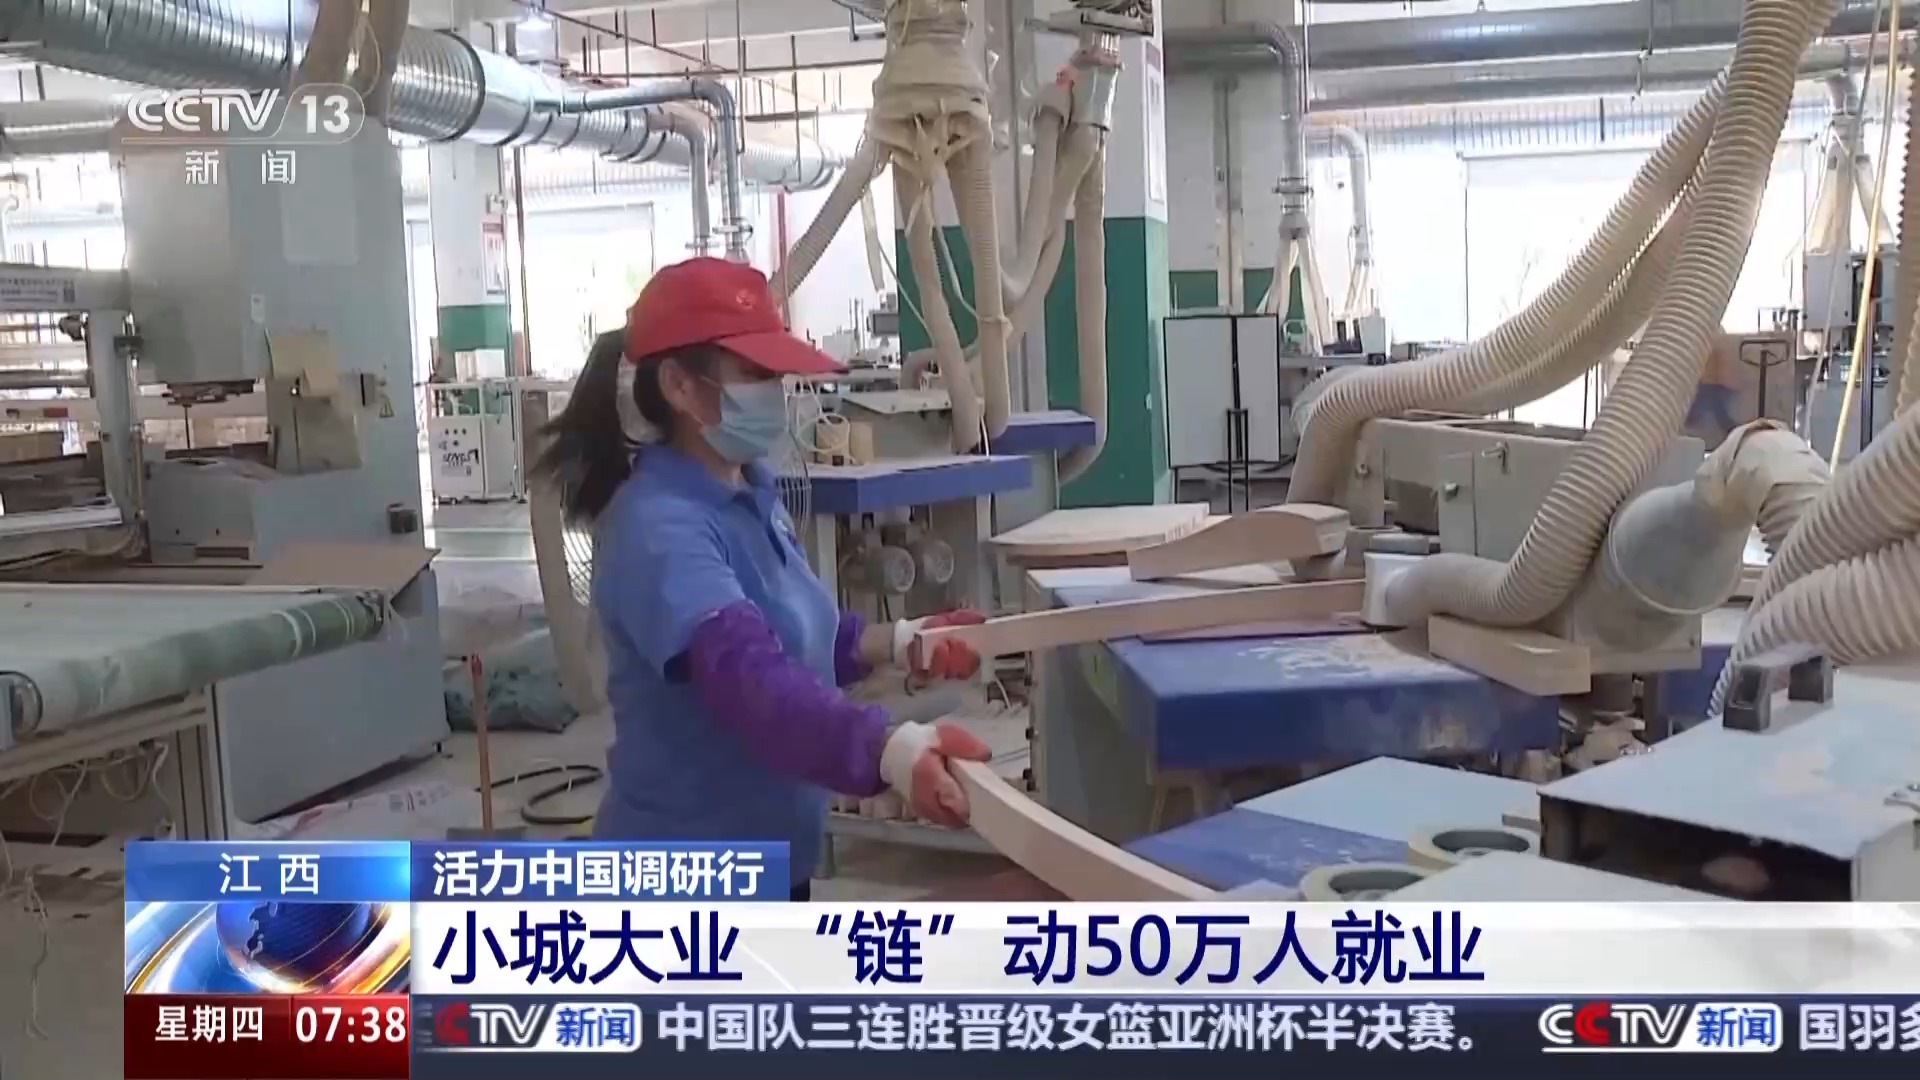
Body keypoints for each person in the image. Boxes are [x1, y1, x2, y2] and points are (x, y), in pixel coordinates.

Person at [534, 257, 992, 901]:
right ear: (680, 386)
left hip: (774, 860)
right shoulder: (659, 528)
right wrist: (888, 751)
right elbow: (748, 678)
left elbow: (799, 639)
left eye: (776, 375)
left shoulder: (750, 492)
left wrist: (900, 641)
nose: (774, 393)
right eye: (754, 374)